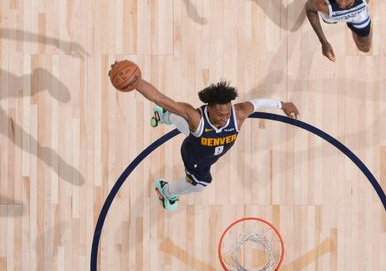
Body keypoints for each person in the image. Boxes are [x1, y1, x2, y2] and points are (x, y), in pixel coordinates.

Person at [111, 66, 300, 211]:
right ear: (208, 108)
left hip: (200, 139)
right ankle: (165, 191)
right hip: (195, 157)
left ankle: (164, 116)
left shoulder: (238, 113)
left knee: (187, 126)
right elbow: (160, 98)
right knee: (200, 184)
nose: (225, 117)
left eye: (227, 113)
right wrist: (135, 81)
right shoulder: (196, 117)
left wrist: (283, 104)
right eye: (220, 114)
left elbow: (258, 103)